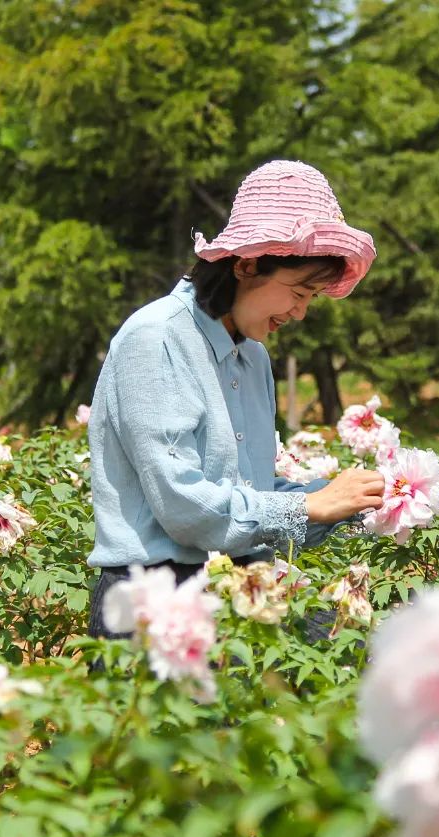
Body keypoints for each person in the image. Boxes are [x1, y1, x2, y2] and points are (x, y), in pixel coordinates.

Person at [86, 160, 386, 638]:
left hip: (241, 584)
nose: (301, 313)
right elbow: (186, 507)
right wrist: (311, 506)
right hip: (152, 597)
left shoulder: (253, 358)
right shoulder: (157, 338)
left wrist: (352, 499)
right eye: (299, 291)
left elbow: (248, 491)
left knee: (359, 649)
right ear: (246, 265)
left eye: (312, 298)